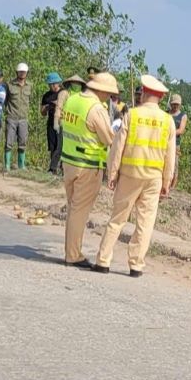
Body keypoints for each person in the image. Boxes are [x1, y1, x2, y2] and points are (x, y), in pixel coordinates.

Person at [93, 75, 176, 277]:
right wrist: (167, 182)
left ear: (144, 93)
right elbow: (170, 155)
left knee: (117, 218)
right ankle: (136, 265)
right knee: (145, 222)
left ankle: (103, 260)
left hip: (130, 174)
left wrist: (112, 173)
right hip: (153, 179)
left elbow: (118, 146)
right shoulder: (168, 121)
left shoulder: (132, 115)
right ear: (160, 98)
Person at [60, 71, 118, 268]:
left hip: (68, 161)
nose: (109, 97)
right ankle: (73, 254)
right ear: (101, 90)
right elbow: (109, 139)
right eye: (109, 93)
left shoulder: (73, 100)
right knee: (79, 212)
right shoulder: (96, 109)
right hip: (87, 165)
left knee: (72, 208)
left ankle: (71, 250)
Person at [4, 62, 33, 171]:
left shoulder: (30, 86)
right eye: (20, 72)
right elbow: (5, 101)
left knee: (22, 142)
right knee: (9, 142)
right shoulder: (10, 85)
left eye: (24, 72)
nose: (22, 74)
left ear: (27, 73)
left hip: (23, 119)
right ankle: (7, 165)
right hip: (11, 117)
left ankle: (21, 165)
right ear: (17, 72)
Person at [40, 73, 63, 173]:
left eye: (54, 83)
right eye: (50, 84)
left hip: (62, 122)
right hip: (50, 122)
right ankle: (53, 169)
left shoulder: (63, 93)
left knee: (61, 146)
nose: (53, 86)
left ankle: (60, 168)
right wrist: (46, 108)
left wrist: (57, 103)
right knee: (52, 146)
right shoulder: (46, 96)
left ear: (58, 83)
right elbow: (42, 112)